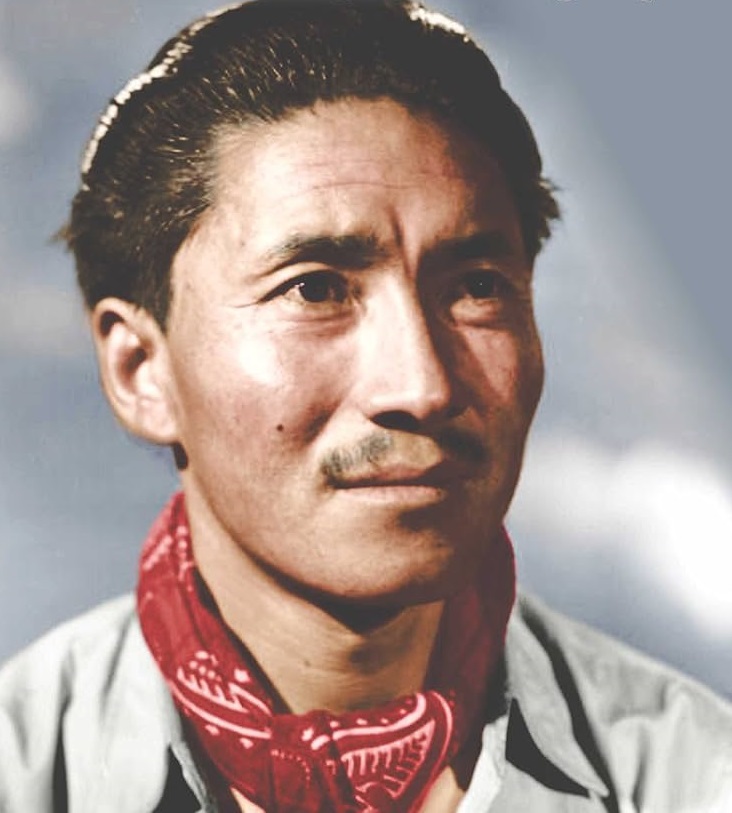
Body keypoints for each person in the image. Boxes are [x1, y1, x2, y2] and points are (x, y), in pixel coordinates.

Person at [1, 1, 731, 811]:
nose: (422, 385)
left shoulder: (694, 777)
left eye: (477, 288)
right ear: (142, 370)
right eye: (315, 289)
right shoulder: (25, 772)